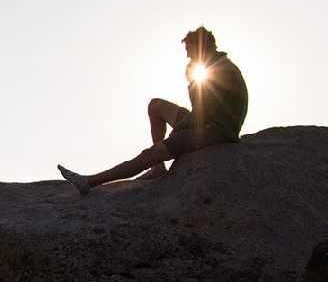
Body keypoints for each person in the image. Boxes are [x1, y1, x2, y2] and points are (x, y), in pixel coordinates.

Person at [58, 26, 248, 194]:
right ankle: (158, 168)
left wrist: (177, 132)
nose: (188, 57)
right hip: (204, 119)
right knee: (155, 106)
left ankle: (89, 182)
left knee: (150, 153)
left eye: (190, 52)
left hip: (215, 130)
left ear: (202, 47)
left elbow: (203, 114)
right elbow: (200, 108)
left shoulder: (222, 71)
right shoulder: (213, 65)